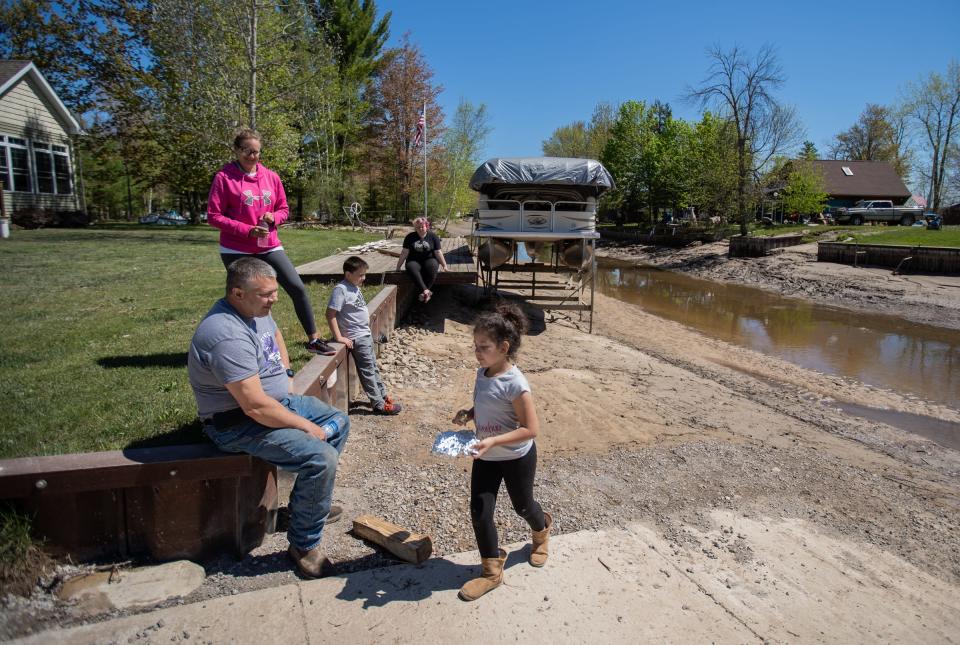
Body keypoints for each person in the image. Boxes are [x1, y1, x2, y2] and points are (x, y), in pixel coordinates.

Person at [188, 257, 349, 578]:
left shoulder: (257, 310)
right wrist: (306, 427)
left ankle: (306, 507)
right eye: (266, 294)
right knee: (321, 459)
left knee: (339, 423)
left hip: (277, 402)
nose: (274, 299)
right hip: (237, 423)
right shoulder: (224, 335)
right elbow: (254, 407)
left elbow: (274, 336)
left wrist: (287, 372)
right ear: (237, 293)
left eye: (274, 292)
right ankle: (303, 544)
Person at [452, 303, 551, 601]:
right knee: (480, 512)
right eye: (475, 346)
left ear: (504, 347)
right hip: (487, 456)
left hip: (516, 456)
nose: (477, 352)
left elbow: (530, 429)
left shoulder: (517, 384)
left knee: (523, 506)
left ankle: (541, 530)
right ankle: (492, 572)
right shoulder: (484, 372)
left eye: (483, 347)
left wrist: (494, 441)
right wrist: (470, 414)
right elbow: (488, 404)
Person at [207, 128, 335, 356]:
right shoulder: (224, 177)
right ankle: (249, 346)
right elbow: (214, 216)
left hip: (269, 245)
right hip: (236, 248)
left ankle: (314, 340)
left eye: (256, 152)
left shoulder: (271, 177)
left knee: (296, 287)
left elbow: (284, 209)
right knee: (249, 297)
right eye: (247, 151)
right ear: (237, 150)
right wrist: (247, 231)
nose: (252, 156)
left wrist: (274, 217)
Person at [326, 256, 402, 415]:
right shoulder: (341, 289)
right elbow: (330, 314)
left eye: (364, 274)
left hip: (364, 334)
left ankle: (382, 394)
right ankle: (378, 404)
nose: (364, 278)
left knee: (373, 367)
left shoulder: (354, 286)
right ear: (348, 274)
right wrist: (339, 337)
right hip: (356, 337)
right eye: (360, 275)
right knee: (367, 371)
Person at [395, 217, 448, 303]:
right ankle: (426, 291)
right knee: (411, 268)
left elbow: (438, 252)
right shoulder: (410, 237)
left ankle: (424, 293)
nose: (420, 228)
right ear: (415, 228)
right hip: (413, 260)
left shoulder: (433, 237)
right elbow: (404, 252)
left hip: (429, 259)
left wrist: (444, 265)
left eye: (422, 226)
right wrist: (398, 267)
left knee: (433, 268)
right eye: (418, 227)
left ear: (427, 226)